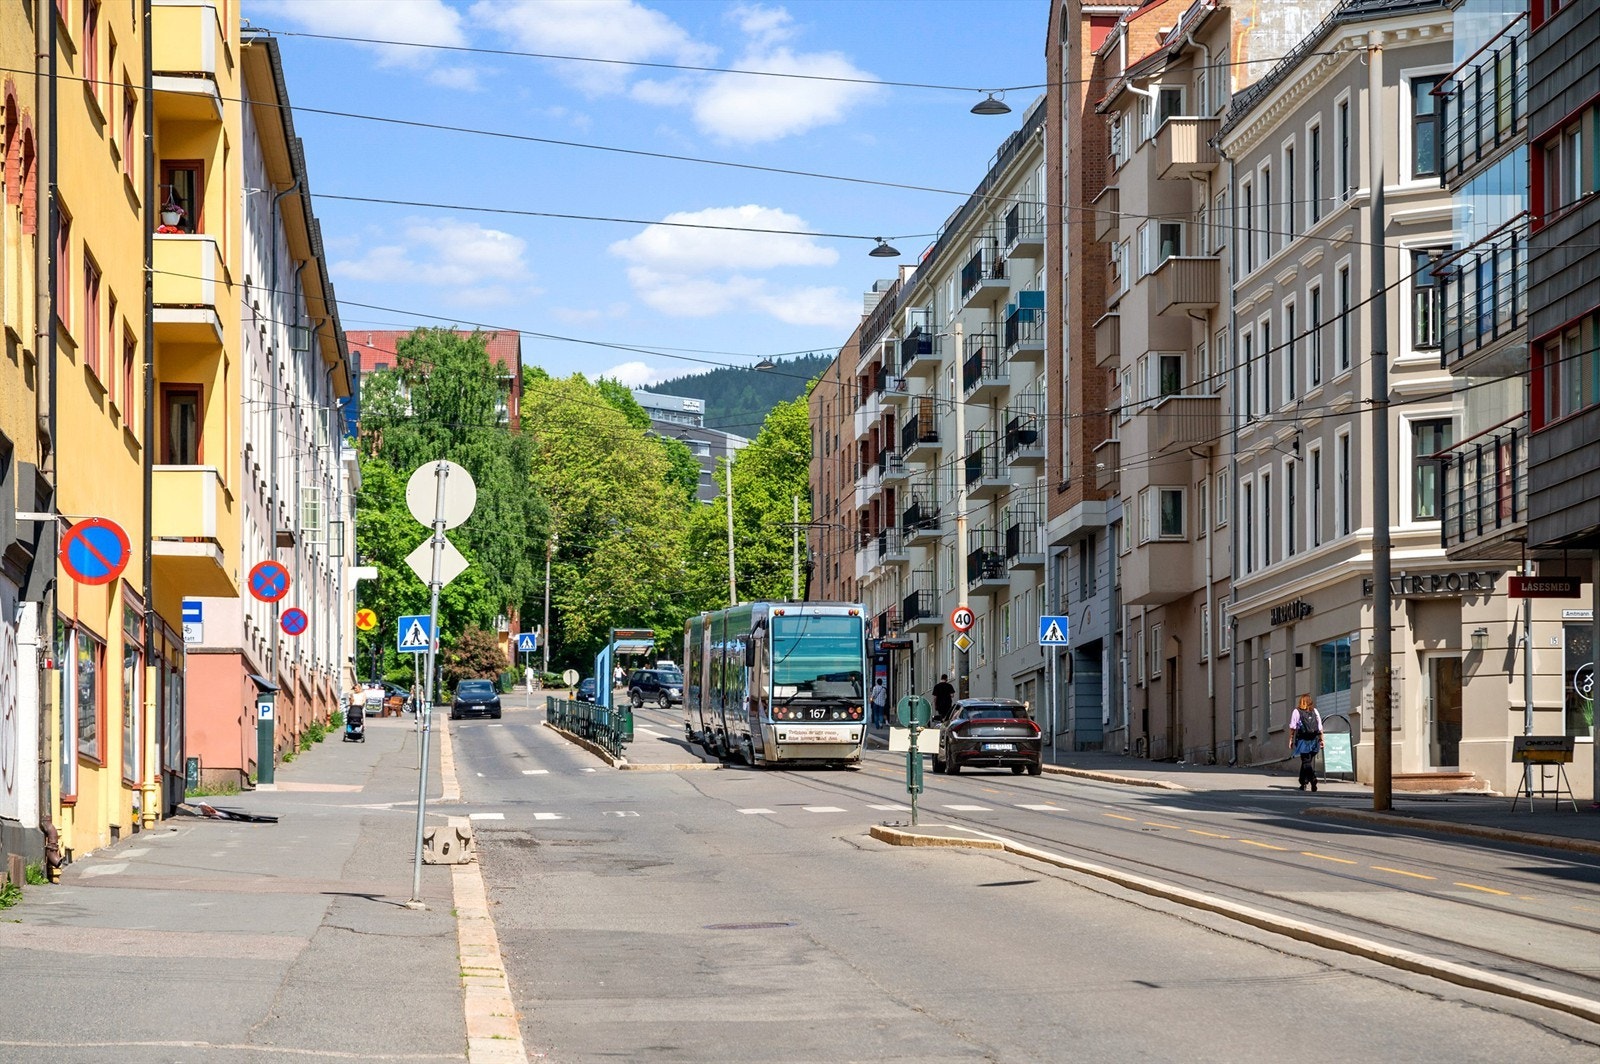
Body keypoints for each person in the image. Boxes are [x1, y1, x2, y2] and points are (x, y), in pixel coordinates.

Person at [1290, 693, 1323, 792]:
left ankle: (1312, 779)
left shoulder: (1297, 711)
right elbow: (1320, 727)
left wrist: (1291, 739)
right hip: (1314, 740)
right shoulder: (1315, 711)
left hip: (1303, 740)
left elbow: (1292, 727)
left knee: (1306, 762)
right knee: (1307, 762)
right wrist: (1322, 740)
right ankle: (1303, 782)